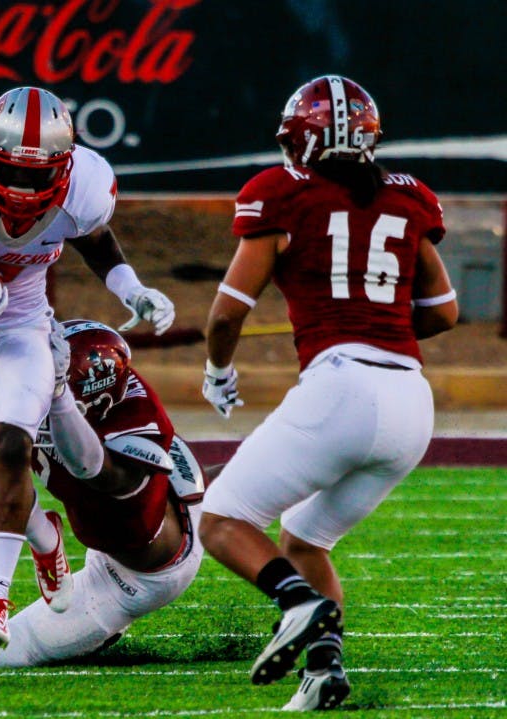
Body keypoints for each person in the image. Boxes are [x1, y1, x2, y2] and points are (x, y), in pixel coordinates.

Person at [197, 75, 458, 711]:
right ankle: (325, 673)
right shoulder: (408, 196)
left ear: (298, 140)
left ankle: (298, 605)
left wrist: (218, 371)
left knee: (223, 521)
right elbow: (444, 312)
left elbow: (228, 313)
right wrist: (386, 321)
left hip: (342, 387)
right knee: (305, 540)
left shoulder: (281, 192)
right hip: (409, 405)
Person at [0, 86, 175, 646]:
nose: (23, 188)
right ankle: (46, 540)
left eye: (39, 176)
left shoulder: (86, 191)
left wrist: (131, 288)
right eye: (13, 172)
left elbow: (97, 242)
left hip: (23, 325)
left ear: (66, 166)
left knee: (13, 447)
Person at [0, 319, 207, 667]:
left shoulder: (134, 431)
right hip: (169, 500)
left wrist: (55, 398)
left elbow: (92, 470)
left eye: (49, 379)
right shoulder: (100, 385)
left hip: (137, 576)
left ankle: (106, 627)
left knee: (4, 656)